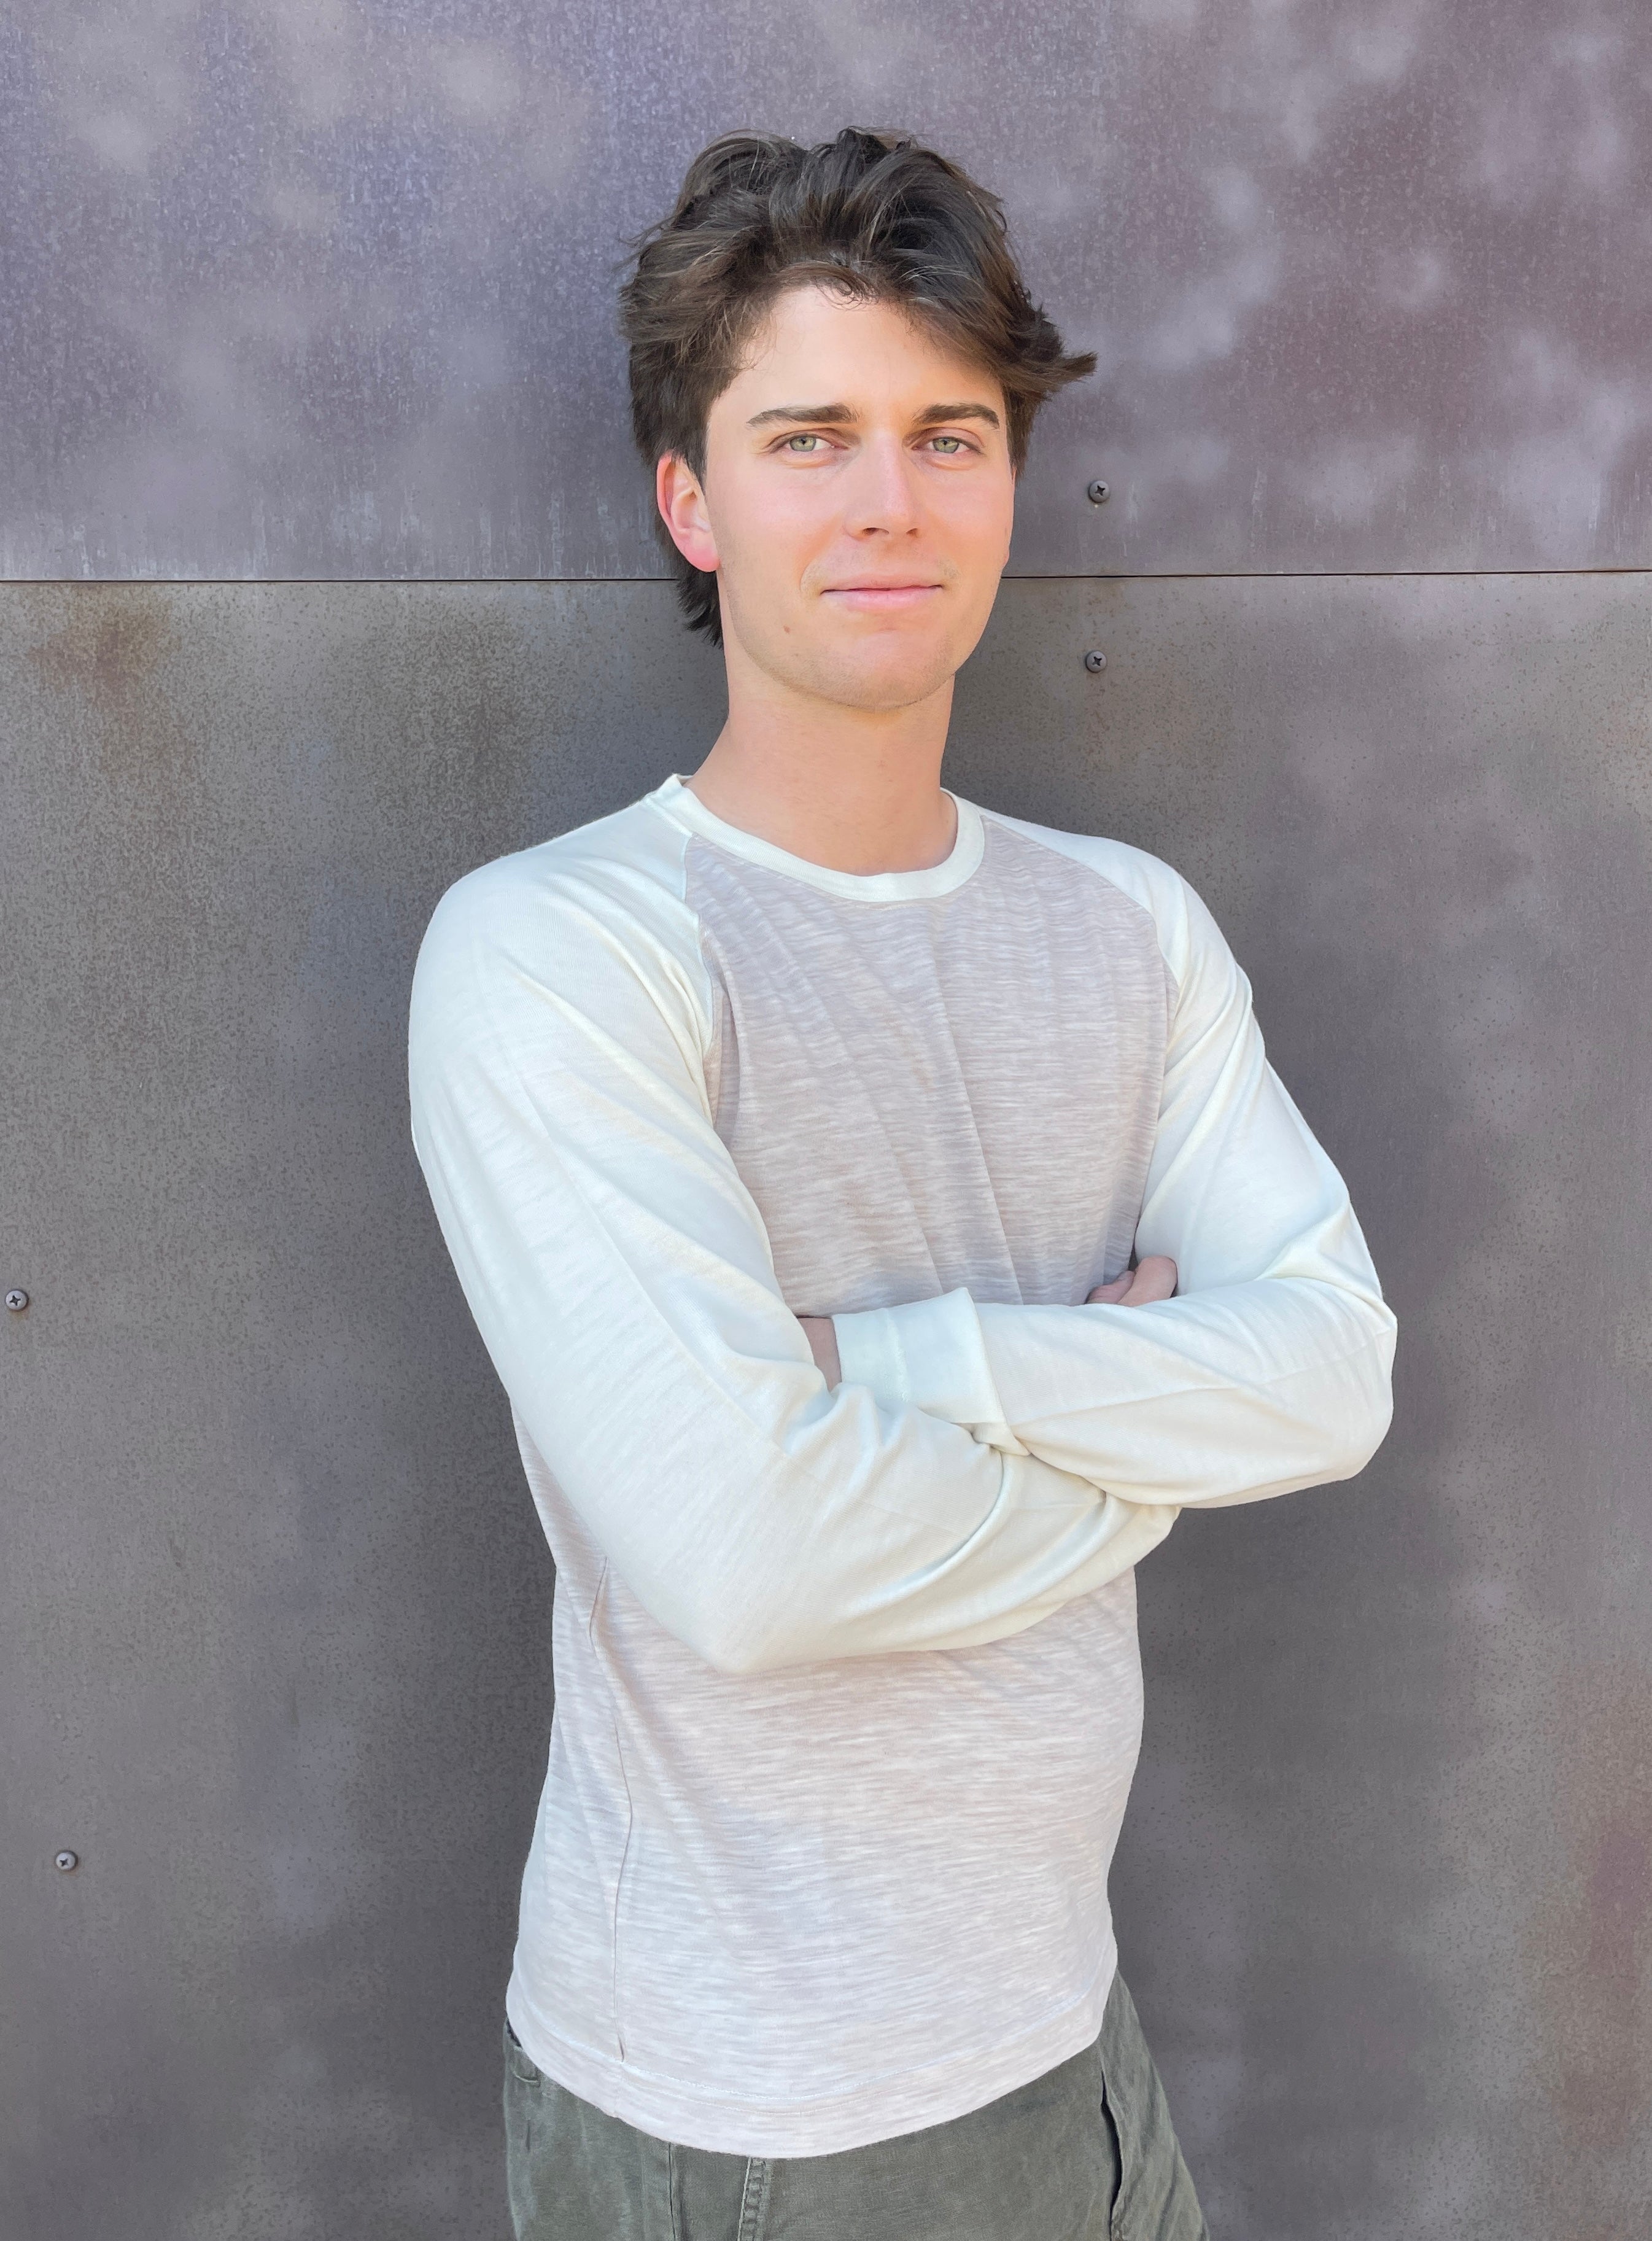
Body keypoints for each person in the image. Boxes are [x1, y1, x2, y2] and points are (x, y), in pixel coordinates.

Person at [408, 127, 1396, 2241]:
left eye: (949, 433)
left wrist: (895, 1359)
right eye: (807, 435)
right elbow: (748, 1558)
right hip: (751, 2106)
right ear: (692, 497)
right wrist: (1147, 1439)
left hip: (1069, 2030)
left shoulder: (1128, 927)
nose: (888, 498)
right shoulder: (562, 951)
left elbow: (1331, 1378)